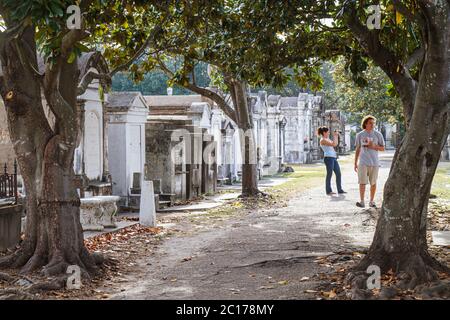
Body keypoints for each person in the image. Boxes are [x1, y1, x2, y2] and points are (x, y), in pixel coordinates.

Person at [354, 115, 385, 208]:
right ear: (365, 124)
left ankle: (371, 201)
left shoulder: (378, 134)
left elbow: (383, 148)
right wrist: (355, 162)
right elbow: (358, 149)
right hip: (363, 162)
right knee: (362, 182)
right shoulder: (359, 135)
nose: (372, 125)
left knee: (373, 182)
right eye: (370, 123)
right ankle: (362, 201)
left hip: (374, 162)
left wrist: (373, 146)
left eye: (373, 123)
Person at [318, 126, 346, 195]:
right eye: (327, 132)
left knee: (338, 173)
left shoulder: (327, 139)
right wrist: (335, 136)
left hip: (333, 158)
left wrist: (336, 136)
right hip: (328, 158)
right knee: (329, 174)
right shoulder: (323, 140)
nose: (329, 133)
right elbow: (334, 144)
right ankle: (328, 190)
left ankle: (340, 189)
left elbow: (335, 144)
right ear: (324, 132)